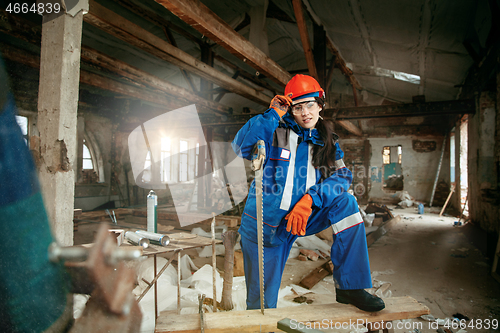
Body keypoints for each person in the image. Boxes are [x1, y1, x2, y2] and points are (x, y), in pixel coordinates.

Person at [232, 74, 385, 312]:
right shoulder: (275, 132)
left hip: (303, 217)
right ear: (289, 109)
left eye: (310, 105)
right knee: (262, 303)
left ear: (320, 105)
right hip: (265, 227)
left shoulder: (327, 141)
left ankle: (350, 286)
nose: (305, 113)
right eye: (298, 107)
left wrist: (310, 199)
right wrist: (273, 114)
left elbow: (342, 176)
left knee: (346, 202)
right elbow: (240, 147)